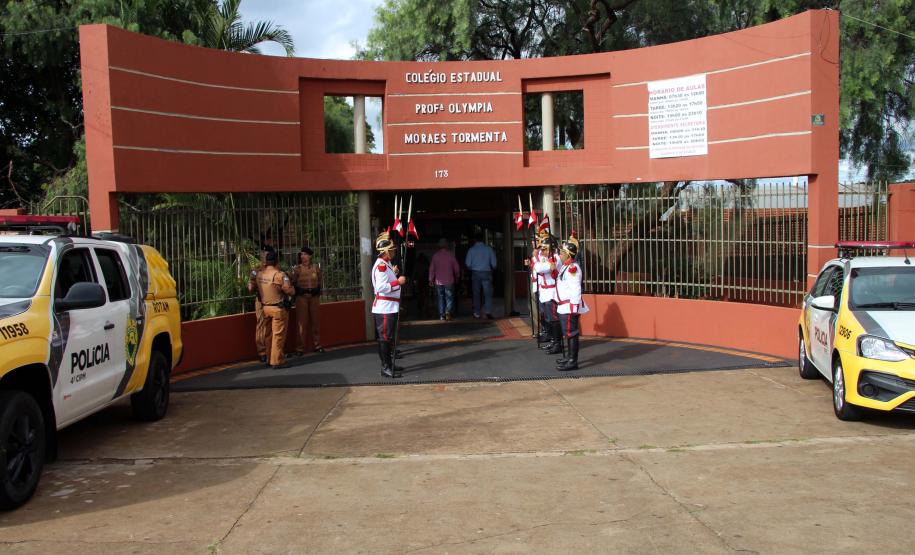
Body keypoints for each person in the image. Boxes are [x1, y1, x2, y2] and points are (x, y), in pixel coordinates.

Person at [373, 230, 407, 378]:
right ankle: (385, 367)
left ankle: (389, 364)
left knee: (389, 337)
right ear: (386, 251)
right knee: (385, 338)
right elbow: (381, 287)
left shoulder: (385, 264)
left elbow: (385, 280)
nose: (393, 251)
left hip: (389, 306)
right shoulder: (381, 265)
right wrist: (397, 282)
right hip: (385, 307)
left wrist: (393, 272)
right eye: (392, 249)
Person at [255, 249, 295, 369]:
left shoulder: (260, 274)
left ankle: (268, 358)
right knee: (278, 336)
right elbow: (289, 290)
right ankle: (277, 361)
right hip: (278, 309)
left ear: (266, 262)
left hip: (265, 308)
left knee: (268, 335)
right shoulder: (280, 275)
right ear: (277, 261)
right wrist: (293, 290)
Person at [555, 233, 589, 371]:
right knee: (567, 333)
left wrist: (574, 307)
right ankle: (568, 357)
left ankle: (572, 361)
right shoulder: (566, 266)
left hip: (569, 307)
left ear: (569, 255)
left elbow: (576, 289)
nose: (560, 255)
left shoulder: (573, 269)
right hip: (564, 306)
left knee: (571, 333)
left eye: (562, 252)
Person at [533, 233, 562, 355]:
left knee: (554, 319)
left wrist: (536, 261)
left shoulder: (556, 259)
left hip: (552, 291)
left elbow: (539, 268)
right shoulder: (547, 259)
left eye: (545, 248)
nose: (542, 251)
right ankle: (553, 340)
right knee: (548, 318)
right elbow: (539, 267)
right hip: (545, 290)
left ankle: (558, 343)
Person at [247, 247, 272, 363]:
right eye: (264, 254)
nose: (265, 256)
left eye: (267, 254)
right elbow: (250, 288)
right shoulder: (256, 270)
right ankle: (262, 352)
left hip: (273, 301)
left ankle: (272, 350)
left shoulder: (275, 268)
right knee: (261, 325)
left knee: (272, 326)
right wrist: (252, 282)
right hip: (261, 300)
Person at [465, 232, 497, 319]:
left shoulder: (471, 250)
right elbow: (494, 264)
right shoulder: (489, 249)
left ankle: (477, 313)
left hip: (475, 273)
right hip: (487, 273)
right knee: (488, 293)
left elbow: (467, 264)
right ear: (483, 239)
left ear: (475, 240)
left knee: (476, 293)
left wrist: (473, 267)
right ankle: (488, 312)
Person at [429, 238, 460, 320]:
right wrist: (457, 275)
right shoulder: (451, 255)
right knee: (449, 297)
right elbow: (456, 268)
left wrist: (431, 279)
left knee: (440, 298)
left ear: (439, 246)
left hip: (438, 282)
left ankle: (442, 315)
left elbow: (432, 269)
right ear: (446, 246)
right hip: (449, 280)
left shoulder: (435, 256)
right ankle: (448, 311)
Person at [413, 252, 431, 318]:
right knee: (426, 294)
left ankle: (420, 305)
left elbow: (415, 272)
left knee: (420, 294)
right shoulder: (427, 263)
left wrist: (414, 279)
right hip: (426, 280)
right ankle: (426, 307)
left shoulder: (417, 263)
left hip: (419, 281)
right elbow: (429, 271)